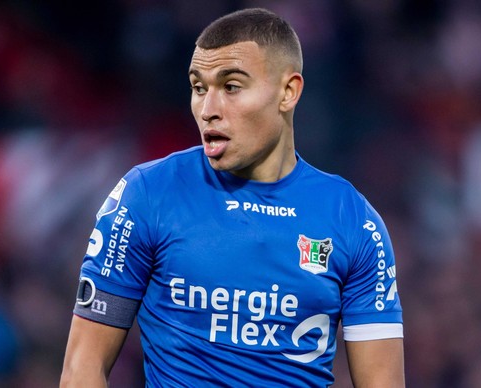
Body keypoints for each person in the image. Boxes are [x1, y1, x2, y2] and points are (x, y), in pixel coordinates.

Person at [60, 8, 404, 387]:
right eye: (198, 88)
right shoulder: (148, 195)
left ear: (288, 92)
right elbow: (82, 367)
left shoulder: (353, 220)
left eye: (232, 86)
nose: (208, 110)